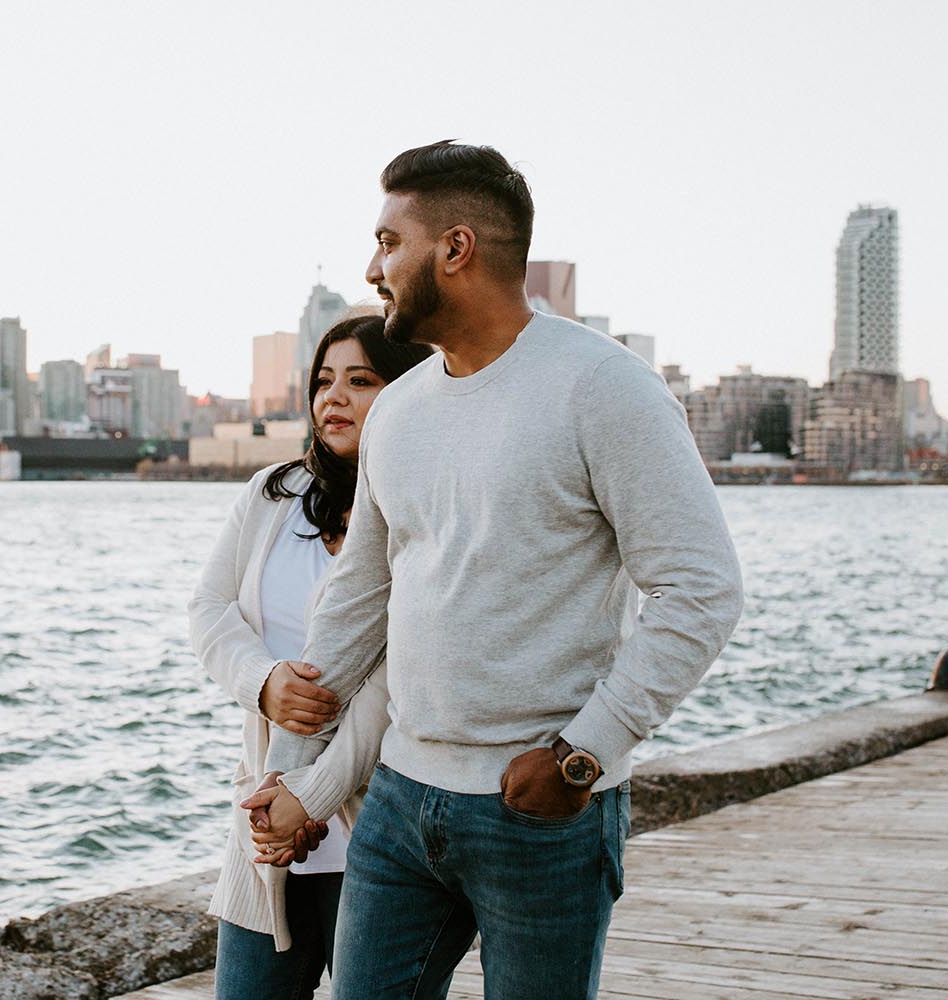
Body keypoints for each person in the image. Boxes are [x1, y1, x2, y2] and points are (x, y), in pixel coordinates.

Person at [257, 141, 745, 999]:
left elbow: (701, 589)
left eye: (388, 242)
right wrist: (292, 769)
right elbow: (357, 602)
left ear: (456, 248)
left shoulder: (603, 388)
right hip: (402, 803)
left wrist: (582, 757)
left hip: (543, 811)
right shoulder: (401, 409)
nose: (374, 268)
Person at [189, 314, 431, 999]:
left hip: (380, 823)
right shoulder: (273, 494)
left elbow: (399, 676)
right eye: (323, 381)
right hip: (266, 820)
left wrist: (314, 791)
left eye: (361, 380)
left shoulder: (427, 509)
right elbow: (208, 612)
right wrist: (262, 682)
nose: (334, 398)